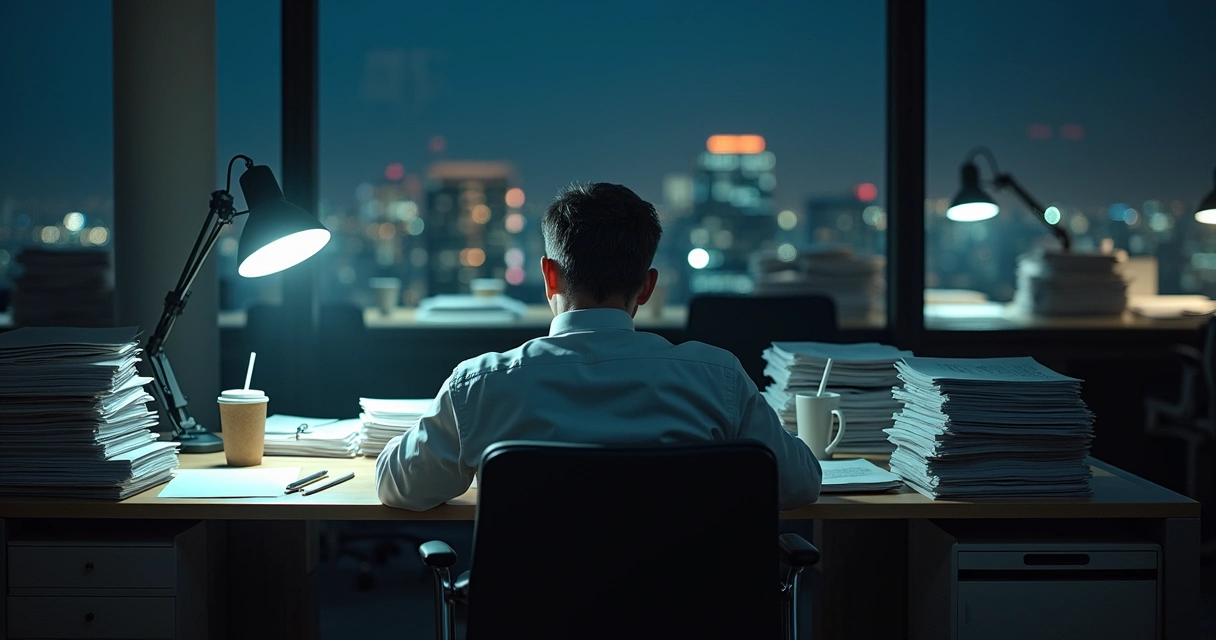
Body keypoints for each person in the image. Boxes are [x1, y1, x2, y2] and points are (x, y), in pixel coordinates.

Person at [375, 182, 822, 510]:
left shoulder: (482, 384)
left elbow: (400, 487)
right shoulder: (717, 378)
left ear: (550, 275)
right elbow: (800, 484)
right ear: (646, 287)